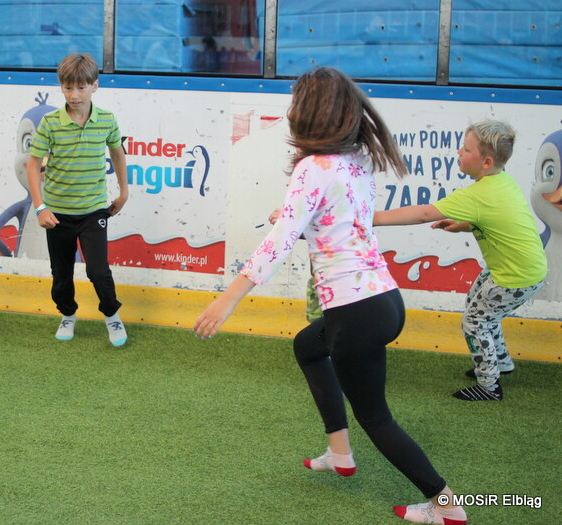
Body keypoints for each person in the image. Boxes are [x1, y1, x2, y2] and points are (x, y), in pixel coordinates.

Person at [194, 67, 466, 525]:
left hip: (355, 311)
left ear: (312, 113)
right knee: (307, 346)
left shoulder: (312, 168)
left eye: (296, 103)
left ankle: (447, 504)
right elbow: (337, 224)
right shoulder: (355, 159)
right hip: (384, 300)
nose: (290, 112)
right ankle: (340, 452)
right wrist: (297, 219)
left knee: (376, 418)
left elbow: (278, 242)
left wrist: (229, 298)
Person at [374, 120, 547, 402]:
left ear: (486, 162)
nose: (459, 152)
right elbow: (498, 221)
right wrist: (462, 226)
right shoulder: (501, 182)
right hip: (519, 269)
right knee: (479, 307)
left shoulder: (479, 194)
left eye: (466, 149)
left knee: (475, 322)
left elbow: (423, 213)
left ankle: (489, 386)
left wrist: (371, 218)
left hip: (515, 277)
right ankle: (500, 363)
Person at [26, 53, 130, 347]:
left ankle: (111, 315)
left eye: (81, 88)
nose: (74, 95)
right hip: (57, 213)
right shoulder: (51, 122)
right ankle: (68, 314)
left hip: (94, 210)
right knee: (61, 273)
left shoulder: (106, 120)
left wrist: (123, 192)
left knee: (98, 271)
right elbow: (33, 165)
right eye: (68, 88)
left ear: (94, 85)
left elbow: (117, 153)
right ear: (61, 87)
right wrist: (40, 207)